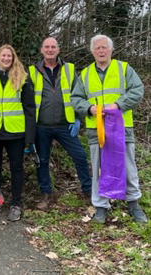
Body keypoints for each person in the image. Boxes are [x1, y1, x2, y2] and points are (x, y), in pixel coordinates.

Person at [71, 34, 148, 224]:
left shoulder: (124, 69)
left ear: (111, 50)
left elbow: (137, 90)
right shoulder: (86, 74)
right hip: (96, 130)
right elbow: (75, 99)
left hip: (122, 128)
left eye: (104, 47)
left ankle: (133, 204)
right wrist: (89, 109)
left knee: (128, 167)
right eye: (97, 48)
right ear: (92, 51)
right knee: (98, 168)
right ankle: (100, 206)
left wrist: (119, 105)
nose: (101, 51)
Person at [28, 37, 92, 210]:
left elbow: (79, 95)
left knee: (79, 156)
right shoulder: (33, 71)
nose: (50, 50)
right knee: (41, 161)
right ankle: (46, 194)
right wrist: (29, 129)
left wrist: (78, 118)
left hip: (66, 125)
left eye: (53, 47)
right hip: (41, 126)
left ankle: (88, 190)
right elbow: (27, 101)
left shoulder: (70, 69)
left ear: (59, 49)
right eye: (47, 47)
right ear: (41, 50)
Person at [0, 45, 36, 222]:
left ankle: (16, 204)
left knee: (16, 168)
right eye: (3, 56)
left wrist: (29, 136)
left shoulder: (22, 78)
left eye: (9, 56)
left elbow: (29, 108)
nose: (6, 59)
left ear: (13, 58)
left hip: (16, 132)